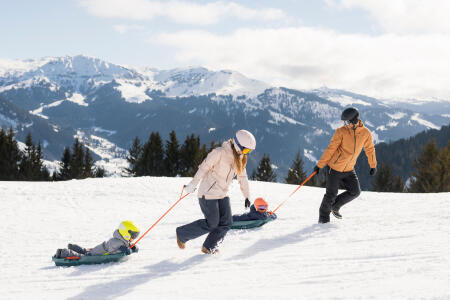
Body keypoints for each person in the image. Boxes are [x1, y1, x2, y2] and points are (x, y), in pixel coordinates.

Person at [176, 129, 256, 254]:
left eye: (249, 151)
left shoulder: (239, 159)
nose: (246, 153)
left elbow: (242, 178)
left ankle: (209, 246)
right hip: (208, 194)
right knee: (212, 223)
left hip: (222, 194)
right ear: (237, 144)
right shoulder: (219, 153)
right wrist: (193, 184)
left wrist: (247, 196)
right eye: (246, 150)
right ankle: (182, 234)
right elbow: (203, 168)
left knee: (227, 222)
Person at [314, 107, 377, 224]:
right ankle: (323, 219)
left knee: (355, 191)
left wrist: (373, 165)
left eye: (347, 121)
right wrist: (320, 165)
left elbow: (370, 149)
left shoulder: (365, 133)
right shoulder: (341, 132)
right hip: (334, 168)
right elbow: (331, 149)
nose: (344, 124)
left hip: (349, 169)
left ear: (354, 120)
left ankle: (335, 206)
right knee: (331, 194)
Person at [54, 220, 140, 258]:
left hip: (99, 249)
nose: (133, 238)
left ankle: (73, 247)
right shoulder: (117, 242)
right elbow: (112, 249)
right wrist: (124, 249)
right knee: (83, 256)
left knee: (86, 251)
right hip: (99, 253)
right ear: (125, 233)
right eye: (133, 235)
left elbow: (126, 244)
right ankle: (63, 252)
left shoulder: (121, 239)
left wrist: (133, 247)